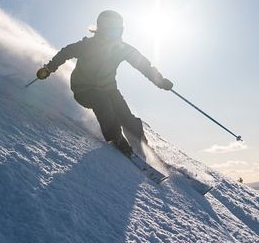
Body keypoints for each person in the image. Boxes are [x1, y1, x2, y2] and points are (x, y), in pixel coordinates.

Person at [35, 10, 173, 156]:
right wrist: (50, 68)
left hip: (109, 89)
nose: (114, 35)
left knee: (124, 114)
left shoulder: (122, 48)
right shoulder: (88, 45)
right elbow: (66, 52)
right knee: (103, 102)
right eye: (111, 30)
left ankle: (140, 142)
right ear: (101, 29)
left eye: (118, 31)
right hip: (84, 89)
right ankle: (116, 137)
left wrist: (160, 81)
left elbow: (143, 65)